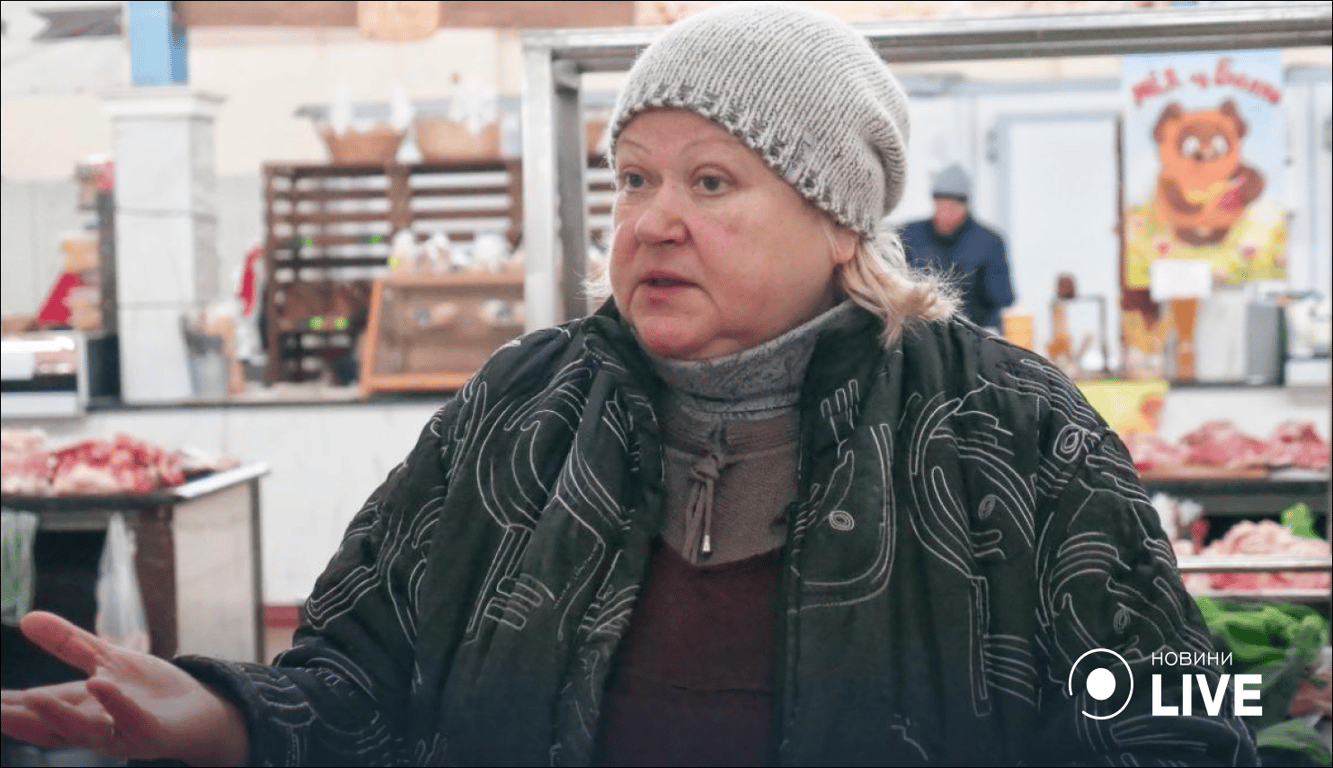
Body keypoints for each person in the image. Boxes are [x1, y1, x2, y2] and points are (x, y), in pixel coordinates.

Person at [2, 4, 1257, 766]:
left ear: (839, 221)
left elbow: (1181, 709)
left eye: (711, 182)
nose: (654, 219)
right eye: (634, 179)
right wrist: (227, 718)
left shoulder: (1006, 424)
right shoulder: (519, 411)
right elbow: (358, 678)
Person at [900, 164, 1015, 330]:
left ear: (965, 207)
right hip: (920, 331)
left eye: (953, 207)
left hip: (974, 333)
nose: (946, 214)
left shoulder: (990, 243)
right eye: (941, 206)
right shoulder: (909, 236)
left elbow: (1002, 302)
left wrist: (983, 336)